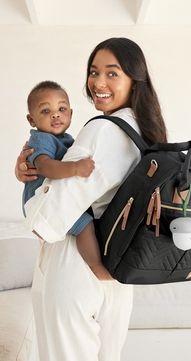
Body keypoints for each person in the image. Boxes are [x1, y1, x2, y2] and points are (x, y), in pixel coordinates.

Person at [15, 37, 167, 361]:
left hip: (74, 266)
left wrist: (33, 184)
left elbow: (48, 218)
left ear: (133, 80)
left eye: (112, 73)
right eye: (94, 72)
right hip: (119, 268)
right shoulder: (146, 132)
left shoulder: (102, 130)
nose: (98, 82)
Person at [23, 80, 111, 280]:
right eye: (45, 111)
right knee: (84, 225)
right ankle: (96, 267)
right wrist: (75, 168)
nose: (56, 114)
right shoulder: (41, 139)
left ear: (70, 114)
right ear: (31, 119)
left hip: (52, 199)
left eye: (62, 109)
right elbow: (45, 166)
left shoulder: (67, 139)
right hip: (41, 204)